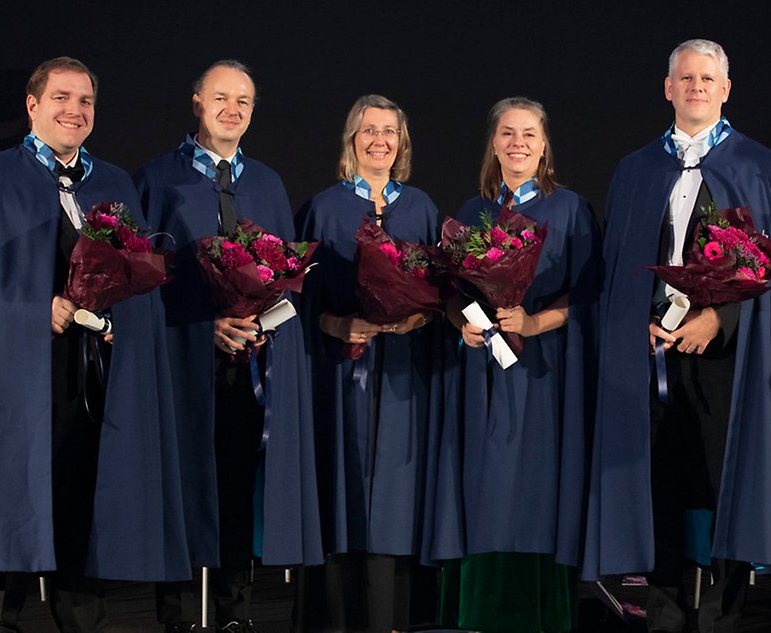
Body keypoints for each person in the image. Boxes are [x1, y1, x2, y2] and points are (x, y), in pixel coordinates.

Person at [582, 39, 771, 632]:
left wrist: (718, 319)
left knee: (723, 482)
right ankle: (666, 613)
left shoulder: (761, 166)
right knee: (661, 483)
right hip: (651, 352)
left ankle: (725, 613)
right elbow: (619, 265)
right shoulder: (636, 168)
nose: (696, 86)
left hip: (727, 360)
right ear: (668, 88)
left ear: (725, 90)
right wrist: (636, 320)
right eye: (685, 77)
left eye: (708, 78)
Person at [0, 57, 188, 633]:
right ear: (32, 104)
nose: (74, 110)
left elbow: (138, 269)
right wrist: (32, 309)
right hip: (19, 376)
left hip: (95, 373)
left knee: (84, 500)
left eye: (85, 101)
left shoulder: (114, 182)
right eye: (61, 98)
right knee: (15, 505)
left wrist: (127, 317)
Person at [137, 60, 322, 633]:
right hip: (180, 360)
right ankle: (177, 614)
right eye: (221, 97)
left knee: (239, 483)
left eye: (244, 100)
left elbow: (284, 274)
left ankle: (235, 612)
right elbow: (142, 277)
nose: (232, 109)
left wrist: (259, 324)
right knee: (181, 481)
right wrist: (203, 324)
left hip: (250, 364)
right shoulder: (157, 178)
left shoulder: (266, 182)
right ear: (197, 101)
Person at [432, 96, 600, 633]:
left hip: (544, 374)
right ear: (494, 144)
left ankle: (540, 609)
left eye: (529, 134)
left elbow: (589, 298)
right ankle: (478, 607)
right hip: (483, 374)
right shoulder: (473, 211)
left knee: (537, 484)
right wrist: (464, 326)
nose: (518, 144)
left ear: (545, 144)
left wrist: (533, 323)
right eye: (507, 134)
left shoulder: (570, 209)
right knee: (483, 483)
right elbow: (453, 293)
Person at [298, 94, 441, 633]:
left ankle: (395, 619)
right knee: (342, 490)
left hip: (404, 374)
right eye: (368, 130)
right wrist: (337, 325)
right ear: (351, 139)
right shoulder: (323, 207)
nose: (379, 140)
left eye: (389, 131)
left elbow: (441, 295)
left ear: (401, 142)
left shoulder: (422, 208)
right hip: (340, 374)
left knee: (396, 499)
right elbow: (297, 299)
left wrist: (415, 321)